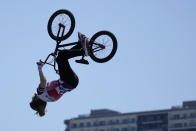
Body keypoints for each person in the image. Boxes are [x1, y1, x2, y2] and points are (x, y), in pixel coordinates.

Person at [29, 32, 89, 117]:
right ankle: (83, 51)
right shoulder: (40, 93)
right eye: (32, 99)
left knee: (61, 58)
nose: (32, 97)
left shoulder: (51, 100)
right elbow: (44, 81)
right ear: (36, 100)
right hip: (68, 80)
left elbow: (59, 86)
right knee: (61, 57)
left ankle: (80, 45)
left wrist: (60, 73)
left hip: (73, 83)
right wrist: (40, 68)